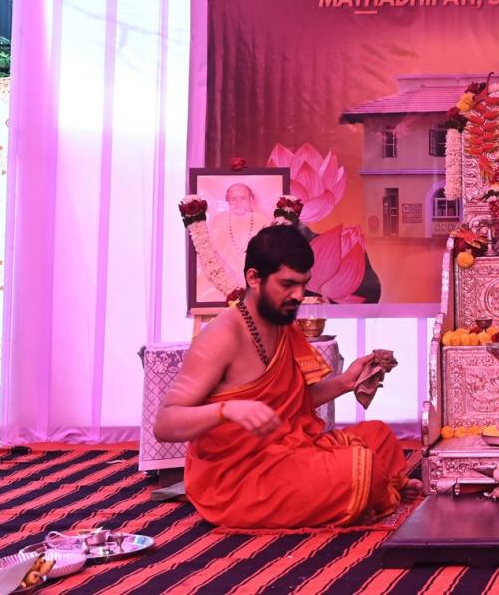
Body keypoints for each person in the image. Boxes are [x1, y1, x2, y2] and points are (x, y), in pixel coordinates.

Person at [155, 224, 418, 528]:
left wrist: (347, 381)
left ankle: (366, 493)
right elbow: (165, 424)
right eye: (288, 284)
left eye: (304, 284)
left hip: (289, 452)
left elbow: (289, 405)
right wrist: (228, 410)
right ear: (254, 278)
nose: (299, 295)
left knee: (379, 435)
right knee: (361, 468)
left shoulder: (281, 323)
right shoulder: (220, 337)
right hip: (241, 478)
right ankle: (372, 490)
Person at [206, 182, 272, 292]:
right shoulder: (219, 222)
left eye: (242, 198)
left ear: (251, 200)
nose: (238, 203)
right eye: (233, 199)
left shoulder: (263, 221)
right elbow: (211, 254)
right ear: (228, 201)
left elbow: (269, 254)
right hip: (224, 282)